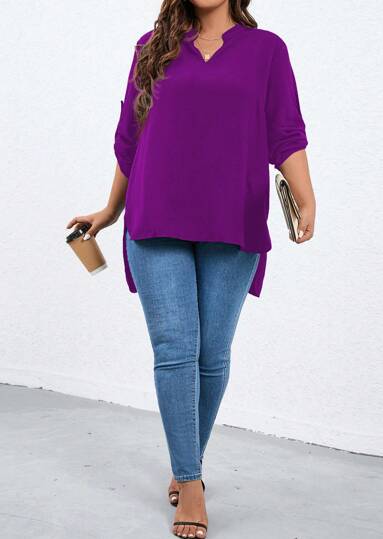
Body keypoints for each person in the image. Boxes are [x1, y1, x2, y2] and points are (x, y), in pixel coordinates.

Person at [66, 1, 316, 537]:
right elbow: (130, 137)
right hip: (155, 213)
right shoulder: (151, 47)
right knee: (175, 347)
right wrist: (110, 210)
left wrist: (306, 199)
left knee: (211, 355)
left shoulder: (267, 50)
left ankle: (188, 463)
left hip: (234, 217)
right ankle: (190, 481)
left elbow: (285, 132)